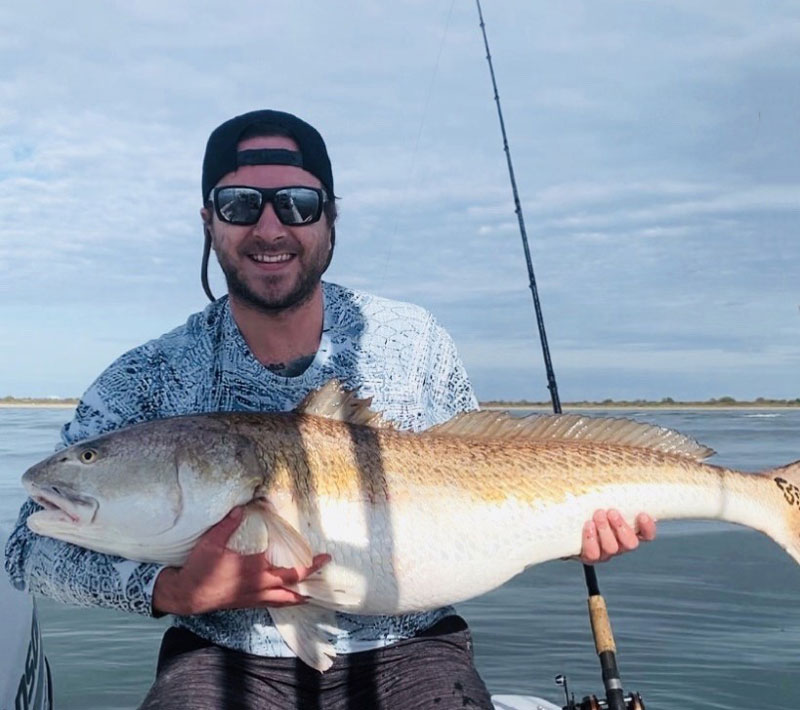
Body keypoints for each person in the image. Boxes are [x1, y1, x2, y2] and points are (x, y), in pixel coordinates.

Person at [5, 109, 656, 709]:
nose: (269, 227)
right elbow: (25, 552)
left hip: (414, 648)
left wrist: (571, 528)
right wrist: (171, 591)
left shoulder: (413, 341)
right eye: (239, 204)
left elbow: (491, 476)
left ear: (330, 217)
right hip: (225, 657)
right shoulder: (145, 380)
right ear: (209, 221)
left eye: (297, 203)